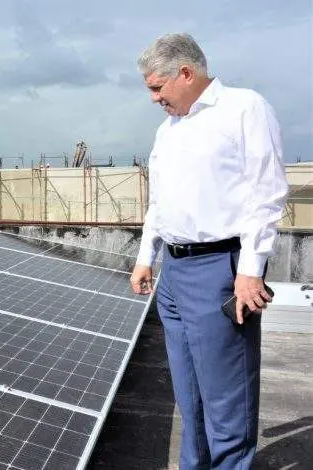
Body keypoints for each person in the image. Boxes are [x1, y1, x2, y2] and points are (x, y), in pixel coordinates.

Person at [130, 33, 289, 469]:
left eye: (157, 86)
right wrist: (147, 258)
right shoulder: (168, 130)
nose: (153, 97)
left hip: (221, 269)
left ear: (187, 72)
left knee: (226, 399)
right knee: (190, 396)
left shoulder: (243, 108)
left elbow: (267, 193)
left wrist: (251, 269)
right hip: (174, 276)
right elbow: (159, 204)